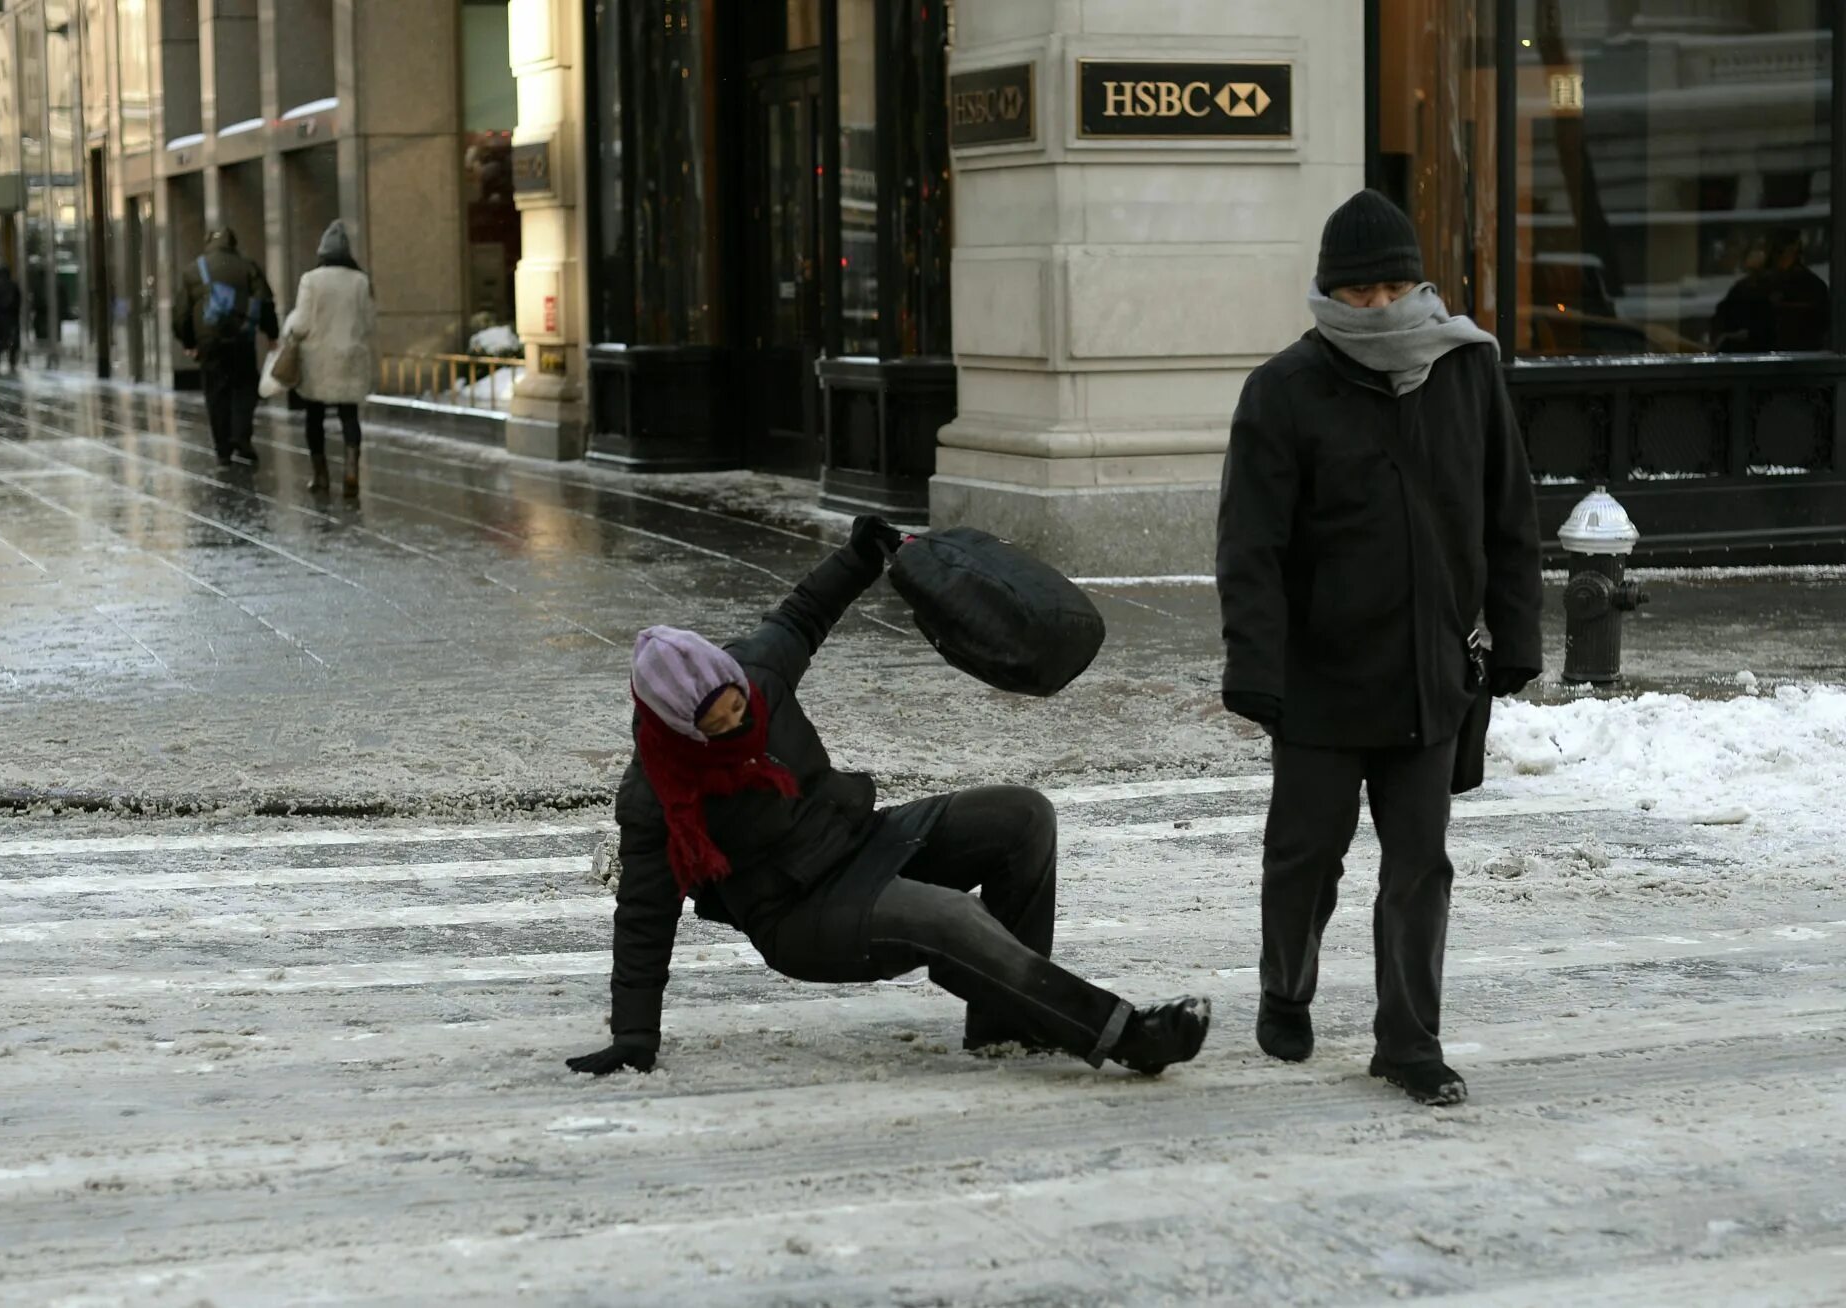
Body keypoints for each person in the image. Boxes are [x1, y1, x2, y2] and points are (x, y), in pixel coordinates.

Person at [569, 518, 1211, 1079]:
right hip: (799, 915)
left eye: (739, 702)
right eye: (718, 721)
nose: (739, 721)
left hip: (859, 842)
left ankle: (1008, 1025)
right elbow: (644, 916)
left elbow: (803, 614)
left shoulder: (756, 673)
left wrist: (861, 555)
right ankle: (1125, 1036)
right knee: (947, 919)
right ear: (679, 725)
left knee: (1021, 817)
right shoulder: (658, 794)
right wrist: (633, 1037)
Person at [1215, 189, 1543, 1107]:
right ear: (1328, 293)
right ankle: (1286, 987)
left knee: (1420, 868)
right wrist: (1255, 666)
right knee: (1304, 858)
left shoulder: (1467, 369)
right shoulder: (1282, 390)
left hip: (1431, 676)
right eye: (1358, 293)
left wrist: (1513, 636)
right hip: (1320, 681)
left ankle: (1408, 1042)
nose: (1378, 307)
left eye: (1394, 286)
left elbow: (1507, 512)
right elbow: (1251, 548)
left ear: (1420, 283)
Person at [283, 220, 377, 495]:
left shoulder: (311, 280)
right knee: (349, 416)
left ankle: (320, 474)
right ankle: (351, 471)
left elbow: (300, 324)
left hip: (318, 360)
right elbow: (369, 323)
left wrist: (289, 332)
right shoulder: (361, 281)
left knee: (314, 417)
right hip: (350, 356)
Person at [173, 228, 277, 467]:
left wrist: (189, 342)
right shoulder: (248, 267)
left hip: (209, 340)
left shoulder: (193, 271)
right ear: (233, 243)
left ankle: (222, 448)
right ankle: (241, 437)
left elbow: (181, 314)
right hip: (242, 337)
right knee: (244, 387)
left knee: (215, 392)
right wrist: (272, 333)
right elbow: (265, 301)